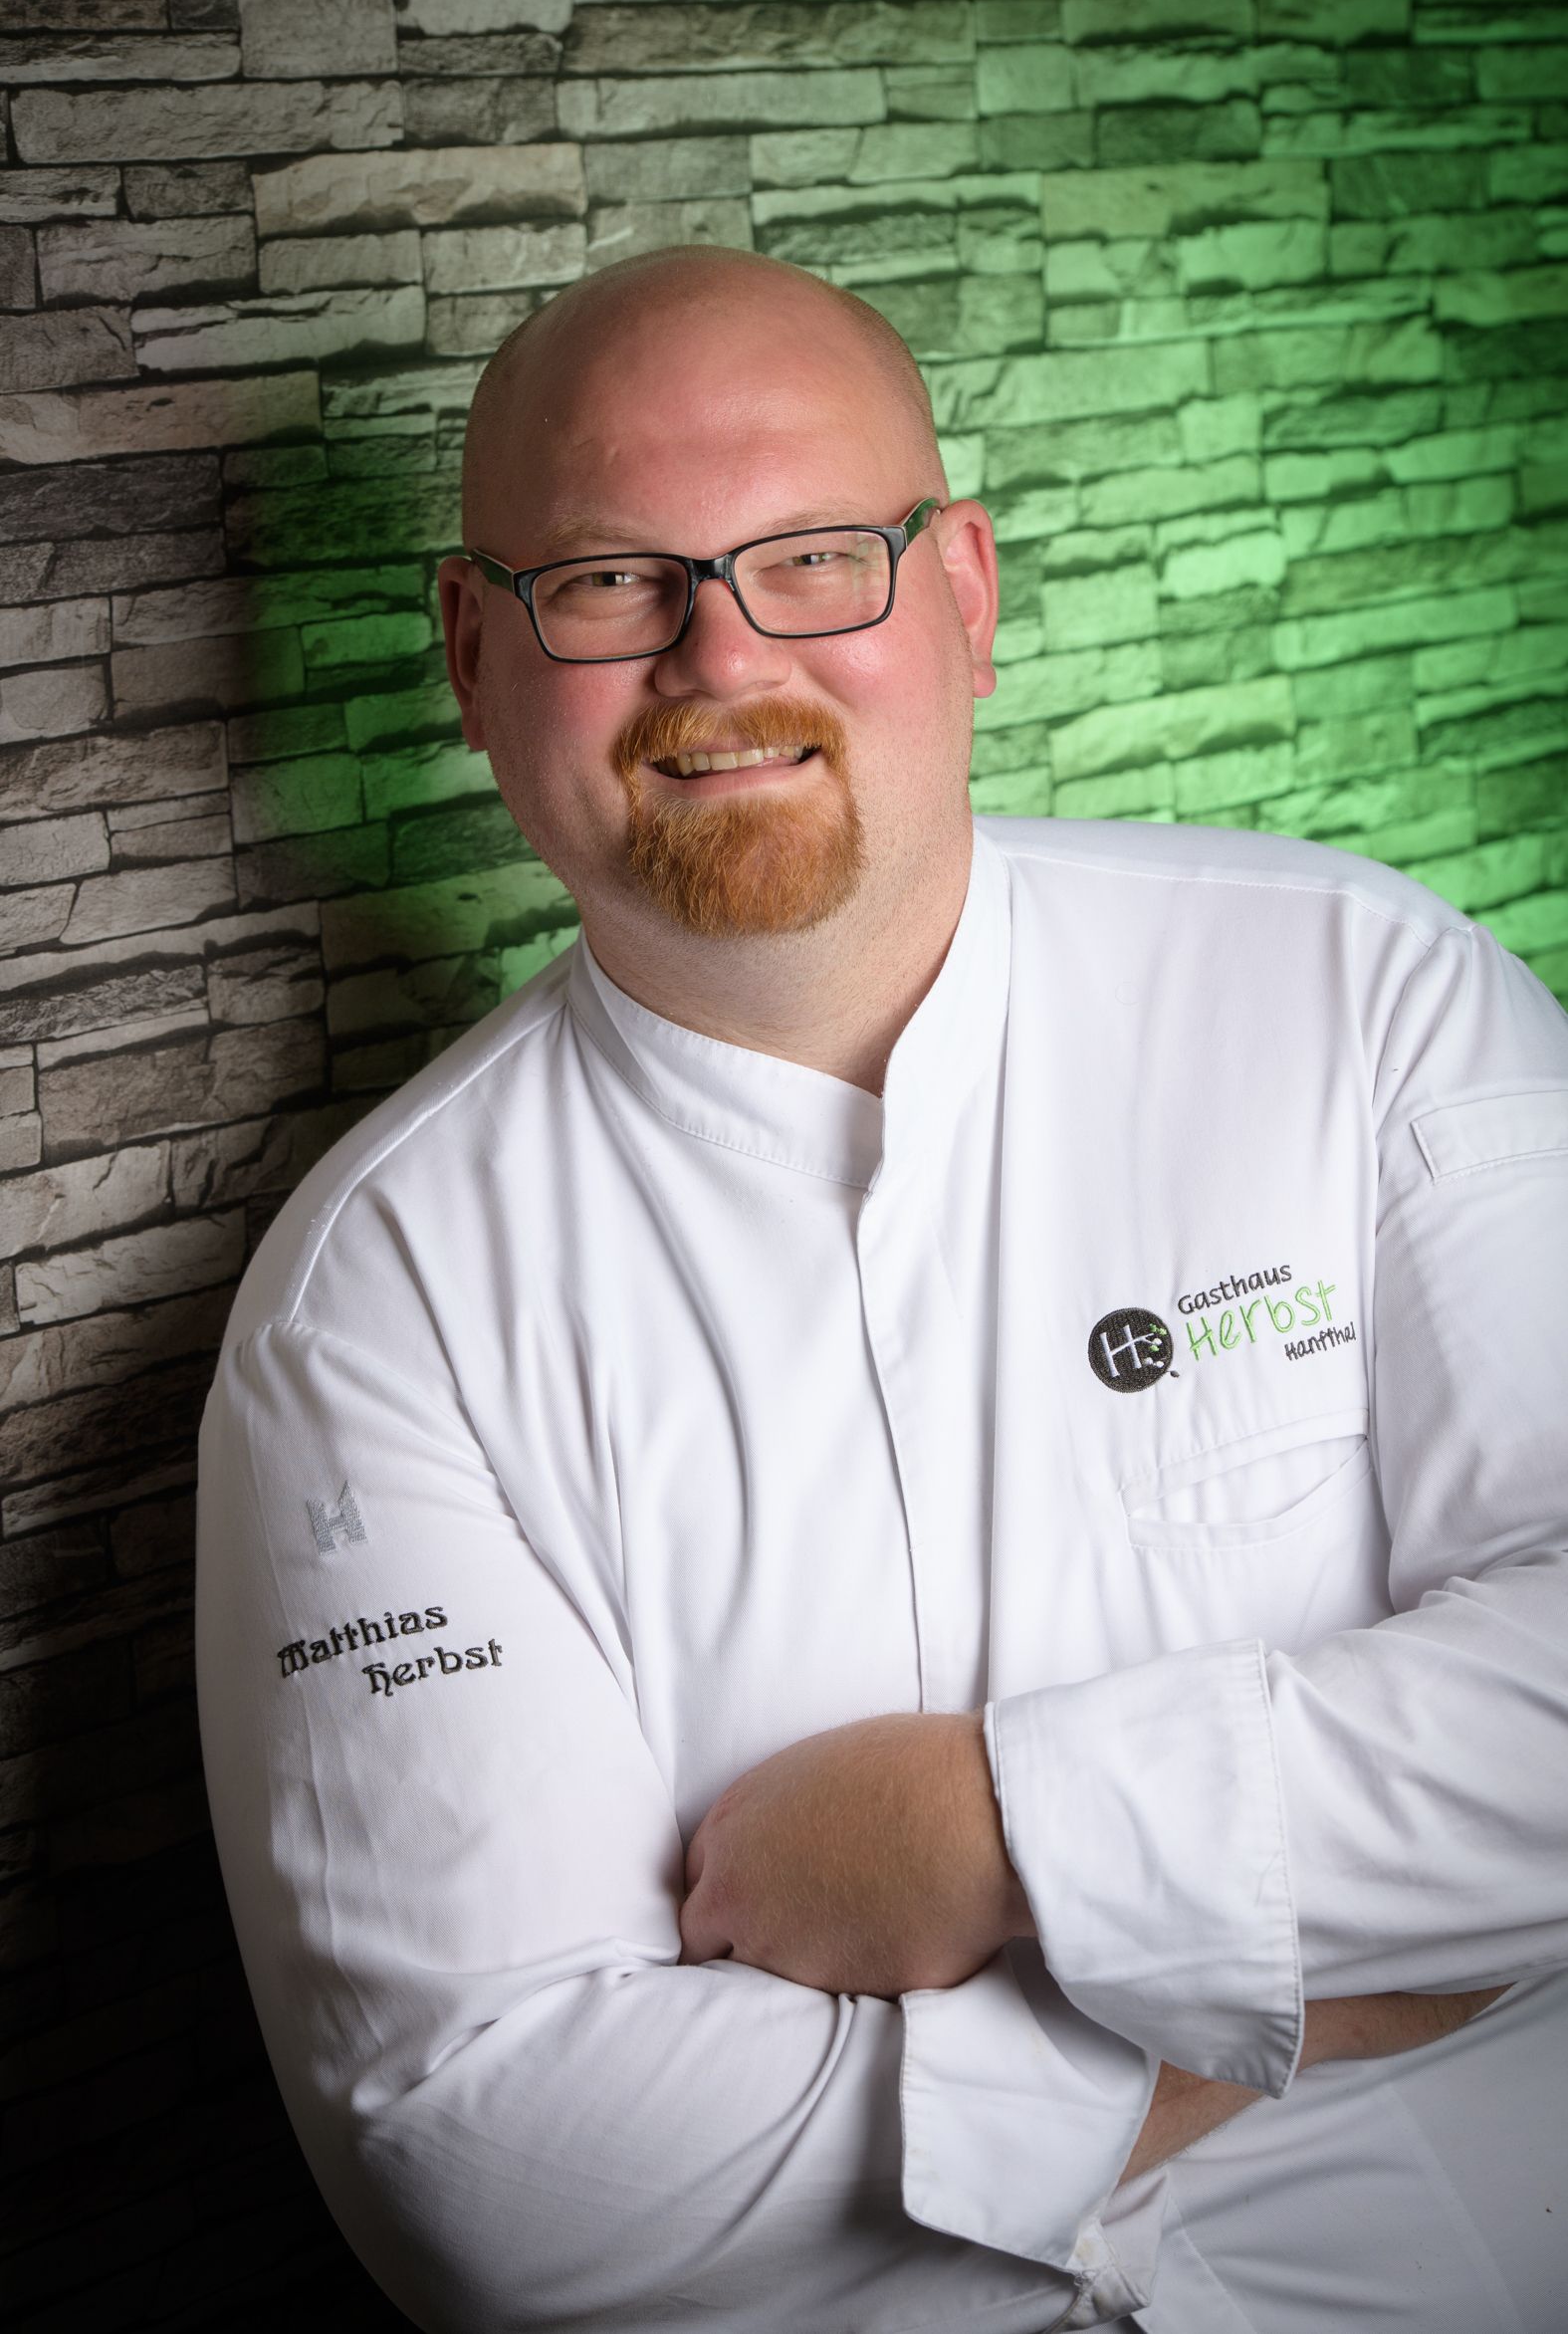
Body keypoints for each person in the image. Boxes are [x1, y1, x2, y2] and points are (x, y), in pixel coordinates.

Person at [194, 245, 1568, 2333]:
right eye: (611, 580)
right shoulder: (377, 1306)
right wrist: (1269, 2009)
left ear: (968, 593)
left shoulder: (1361, 993)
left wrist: (1001, 1835)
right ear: (472, 652)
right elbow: (477, 2151)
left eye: (815, 555)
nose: (722, 653)